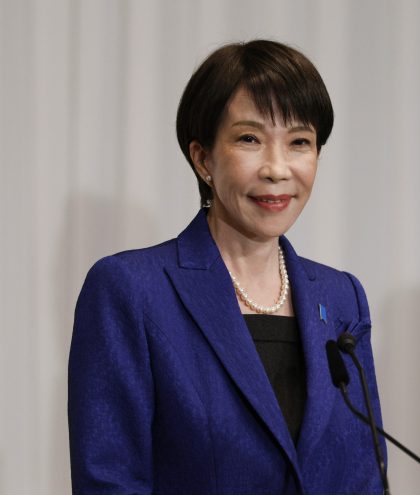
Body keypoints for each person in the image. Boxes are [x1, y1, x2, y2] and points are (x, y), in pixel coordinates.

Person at [68, 39, 386, 494]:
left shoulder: (340, 297)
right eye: (250, 139)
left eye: (299, 142)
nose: (277, 169)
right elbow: (109, 481)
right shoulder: (130, 290)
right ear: (203, 159)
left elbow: (364, 476)